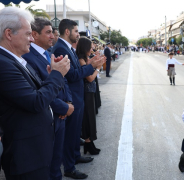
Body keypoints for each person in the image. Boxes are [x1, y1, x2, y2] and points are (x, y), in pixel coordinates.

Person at [0, 7, 71, 179]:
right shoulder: (0, 64)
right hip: (26, 156)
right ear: (9, 34)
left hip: (34, 150)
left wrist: (51, 74)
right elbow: (36, 102)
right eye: (28, 34)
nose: (32, 39)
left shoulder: (14, 60)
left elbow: (36, 92)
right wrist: (56, 74)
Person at [22, 18, 74, 180]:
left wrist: (69, 103)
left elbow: (63, 80)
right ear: (35, 35)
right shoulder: (28, 57)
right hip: (50, 114)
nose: (53, 36)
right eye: (48, 32)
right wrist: (63, 108)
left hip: (61, 114)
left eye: (53, 32)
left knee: (56, 160)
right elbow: (38, 89)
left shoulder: (49, 54)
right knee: (48, 162)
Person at [52, 19, 104, 179]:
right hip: (72, 98)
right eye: (76, 31)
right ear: (67, 32)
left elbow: (76, 70)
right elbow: (73, 75)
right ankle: (69, 167)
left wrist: (90, 64)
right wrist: (92, 66)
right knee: (70, 135)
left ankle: (75, 156)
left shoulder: (67, 47)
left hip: (77, 97)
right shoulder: (61, 48)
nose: (78, 34)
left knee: (75, 133)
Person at [76, 37, 104, 155]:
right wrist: (98, 67)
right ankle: (88, 142)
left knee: (91, 117)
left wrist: (95, 60)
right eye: (90, 46)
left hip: (90, 92)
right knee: (88, 118)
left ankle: (90, 142)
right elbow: (90, 77)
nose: (92, 48)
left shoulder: (85, 58)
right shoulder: (81, 59)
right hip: (86, 92)